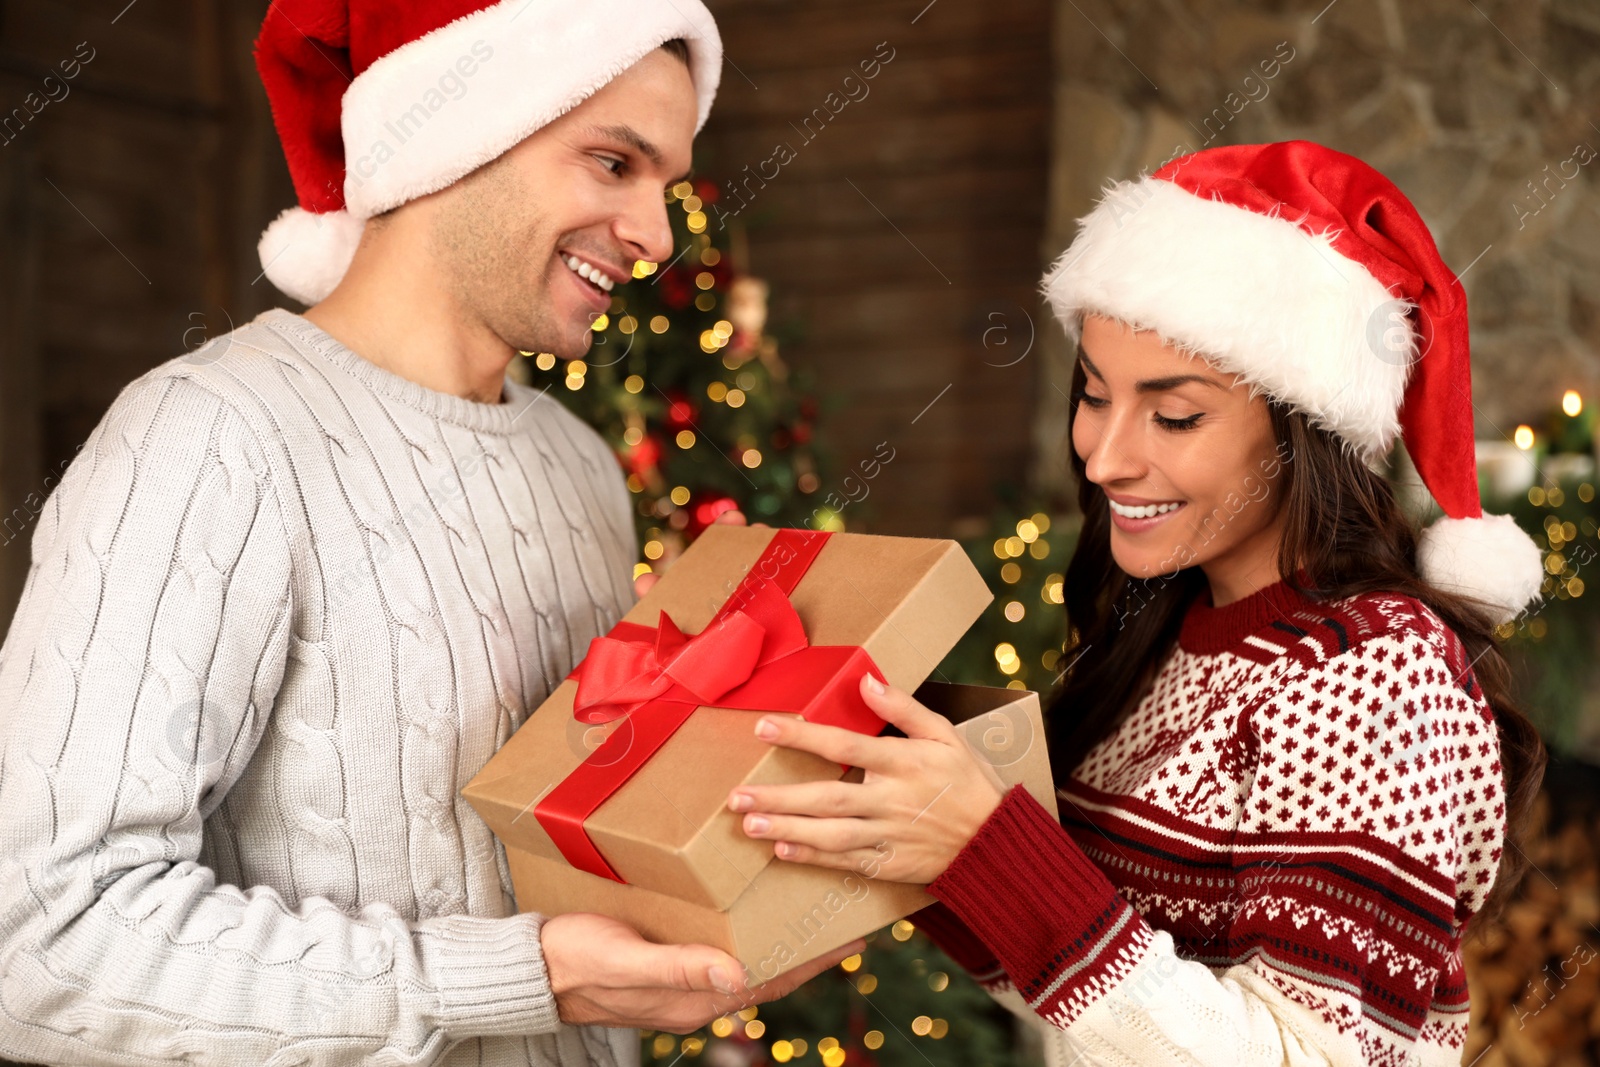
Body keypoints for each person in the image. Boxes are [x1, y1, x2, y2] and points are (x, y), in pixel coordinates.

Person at [0, 2, 857, 1065]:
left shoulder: (578, 467)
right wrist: (514, 974)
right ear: (458, 131)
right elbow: (40, 940)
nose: (658, 235)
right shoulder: (211, 438)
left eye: (666, 185)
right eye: (611, 163)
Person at [723, 140, 1550, 1066]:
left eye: (1175, 414)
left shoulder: (1374, 677)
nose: (1105, 457)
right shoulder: (1168, 626)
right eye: (1092, 394)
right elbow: (1092, 993)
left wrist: (988, 849)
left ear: (1303, 430)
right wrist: (918, 840)